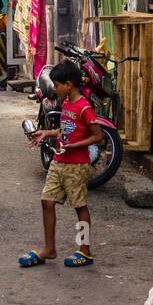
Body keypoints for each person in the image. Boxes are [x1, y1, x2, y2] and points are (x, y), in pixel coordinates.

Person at [19, 61, 101, 268]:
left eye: (56, 85)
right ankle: (49, 249)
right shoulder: (65, 104)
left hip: (77, 165)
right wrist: (46, 133)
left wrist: (74, 145)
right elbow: (65, 131)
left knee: (79, 206)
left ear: (68, 85)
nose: (54, 89)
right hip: (59, 161)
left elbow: (97, 137)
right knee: (47, 202)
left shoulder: (84, 107)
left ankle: (85, 250)